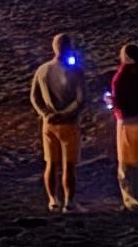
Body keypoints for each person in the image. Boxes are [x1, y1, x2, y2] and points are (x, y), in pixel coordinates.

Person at [28, 32, 91, 211]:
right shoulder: (75, 71)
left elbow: (34, 97)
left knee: (51, 163)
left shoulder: (42, 70)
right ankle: (69, 202)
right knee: (69, 165)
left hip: (49, 123)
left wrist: (45, 113)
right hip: (69, 123)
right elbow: (81, 99)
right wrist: (66, 113)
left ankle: (52, 200)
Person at [105, 41, 138, 207]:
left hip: (126, 121)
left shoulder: (122, 76)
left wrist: (110, 102)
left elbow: (119, 102)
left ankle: (132, 201)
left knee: (126, 164)